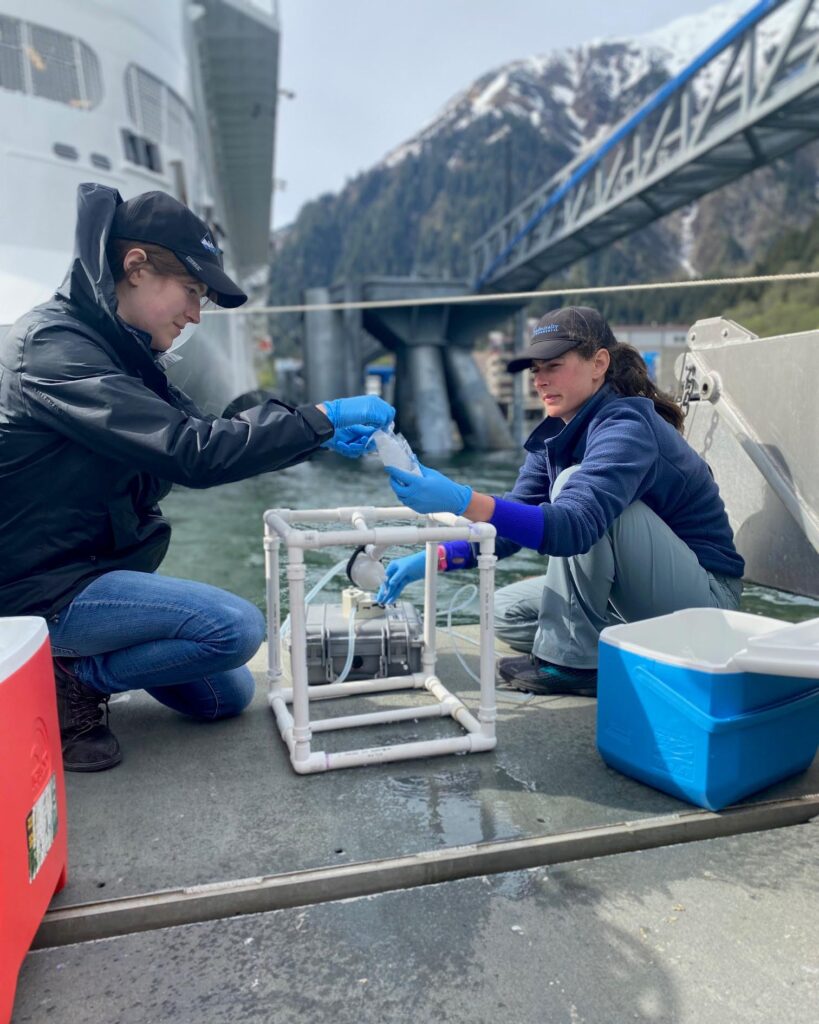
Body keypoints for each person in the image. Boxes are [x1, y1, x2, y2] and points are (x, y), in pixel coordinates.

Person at [0, 182, 395, 772]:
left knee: (225, 694)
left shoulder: (121, 353)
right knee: (233, 628)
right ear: (135, 266)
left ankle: (84, 670)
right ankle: (72, 675)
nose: (195, 314)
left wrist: (315, 434)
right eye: (190, 290)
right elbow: (192, 452)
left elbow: (209, 428)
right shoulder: (54, 348)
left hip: (87, 573)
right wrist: (320, 419)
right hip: (35, 590)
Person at [376, 306, 744, 698]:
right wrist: (433, 559)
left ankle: (572, 666)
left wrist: (463, 499)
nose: (540, 380)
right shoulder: (555, 437)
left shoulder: (627, 426)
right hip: (638, 592)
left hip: (705, 604)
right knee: (501, 612)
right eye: (536, 370)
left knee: (573, 490)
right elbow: (504, 534)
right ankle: (605, 655)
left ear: (598, 363)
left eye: (553, 365)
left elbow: (573, 528)